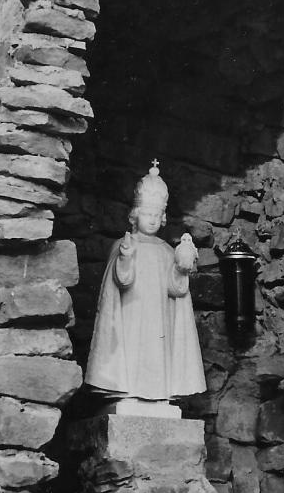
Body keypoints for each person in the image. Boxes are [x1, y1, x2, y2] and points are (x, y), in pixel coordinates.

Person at [84, 159, 206, 413]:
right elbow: (122, 280)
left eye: (156, 215)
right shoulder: (124, 244)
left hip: (158, 319)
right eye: (146, 214)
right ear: (135, 215)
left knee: (157, 354)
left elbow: (176, 289)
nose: (151, 220)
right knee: (131, 356)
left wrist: (181, 268)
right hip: (131, 315)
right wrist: (126, 258)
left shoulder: (166, 251)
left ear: (162, 218)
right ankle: (128, 393)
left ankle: (159, 396)